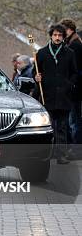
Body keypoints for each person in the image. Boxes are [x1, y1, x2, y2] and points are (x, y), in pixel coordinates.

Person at [34, 24, 77, 164]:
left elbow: (75, 73)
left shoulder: (69, 53)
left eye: (60, 35)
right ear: (51, 36)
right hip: (48, 96)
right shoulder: (41, 53)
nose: (57, 38)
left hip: (64, 97)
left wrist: (69, 85)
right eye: (55, 35)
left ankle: (62, 155)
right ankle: (47, 154)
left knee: (62, 127)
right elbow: (36, 71)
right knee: (48, 127)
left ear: (63, 37)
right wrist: (36, 77)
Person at [62, 19, 82, 145]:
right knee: (72, 120)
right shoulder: (71, 43)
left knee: (74, 120)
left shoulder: (75, 46)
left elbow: (75, 69)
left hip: (75, 89)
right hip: (74, 88)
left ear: (70, 30)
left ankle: (76, 147)